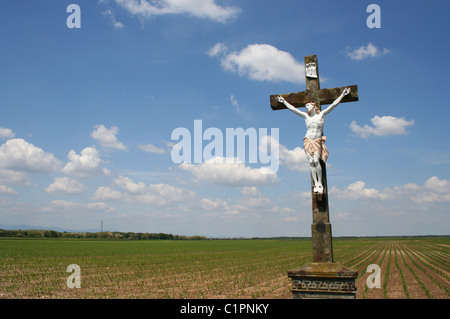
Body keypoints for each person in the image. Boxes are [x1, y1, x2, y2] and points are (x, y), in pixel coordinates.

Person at [277, 87, 351, 194]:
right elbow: (293, 109)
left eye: (308, 105)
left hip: (316, 141)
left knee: (316, 160)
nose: (306, 108)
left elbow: (333, 105)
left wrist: (343, 95)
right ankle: (315, 182)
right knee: (311, 162)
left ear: (313, 105)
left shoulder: (321, 115)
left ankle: (320, 182)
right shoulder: (306, 117)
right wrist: (284, 101)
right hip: (308, 141)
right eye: (306, 106)